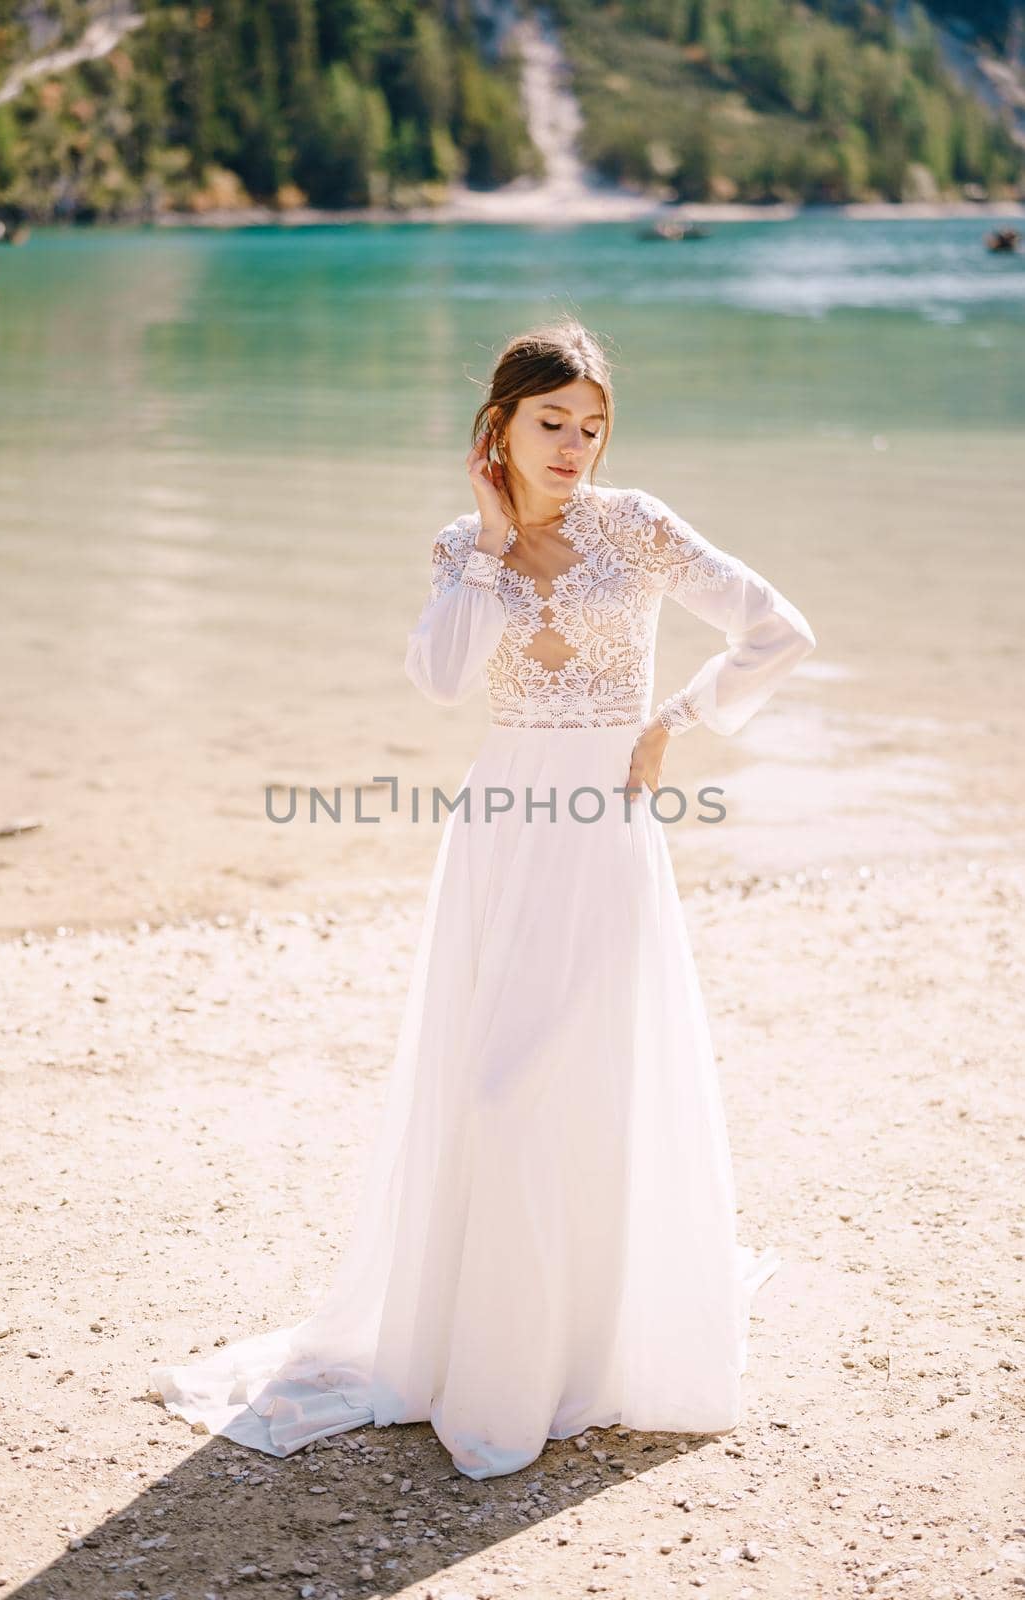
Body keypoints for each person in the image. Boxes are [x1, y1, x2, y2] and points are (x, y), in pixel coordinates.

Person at [149, 317, 816, 1481]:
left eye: (592, 427)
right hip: (502, 831)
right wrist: (489, 544)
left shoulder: (639, 526)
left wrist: (675, 721)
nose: (574, 447)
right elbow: (444, 679)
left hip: (602, 830)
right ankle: (487, 1346)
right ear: (496, 429)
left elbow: (777, 629)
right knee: (490, 1084)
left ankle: (572, 1353)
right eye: (550, 423)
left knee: (561, 1079)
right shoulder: (465, 547)